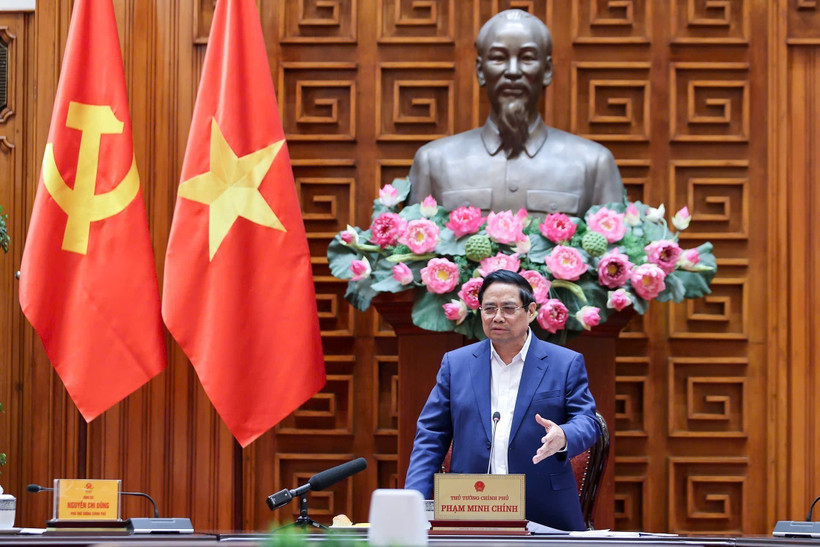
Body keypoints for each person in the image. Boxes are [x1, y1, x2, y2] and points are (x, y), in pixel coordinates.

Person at [404, 270, 599, 531]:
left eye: (508, 308)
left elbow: (587, 421)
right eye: (489, 308)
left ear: (531, 311)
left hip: (544, 509)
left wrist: (563, 435)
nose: (497, 317)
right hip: (469, 507)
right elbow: (431, 435)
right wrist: (413, 501)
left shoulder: (565, 363)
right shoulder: (456, 364)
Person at [408, 9, 623, 216]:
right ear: (481, 71)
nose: (512, 71)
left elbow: (615, 251)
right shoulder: (434, 162)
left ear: (547, 71)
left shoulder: (593, 164)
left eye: (527, 58)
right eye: (499, 58)